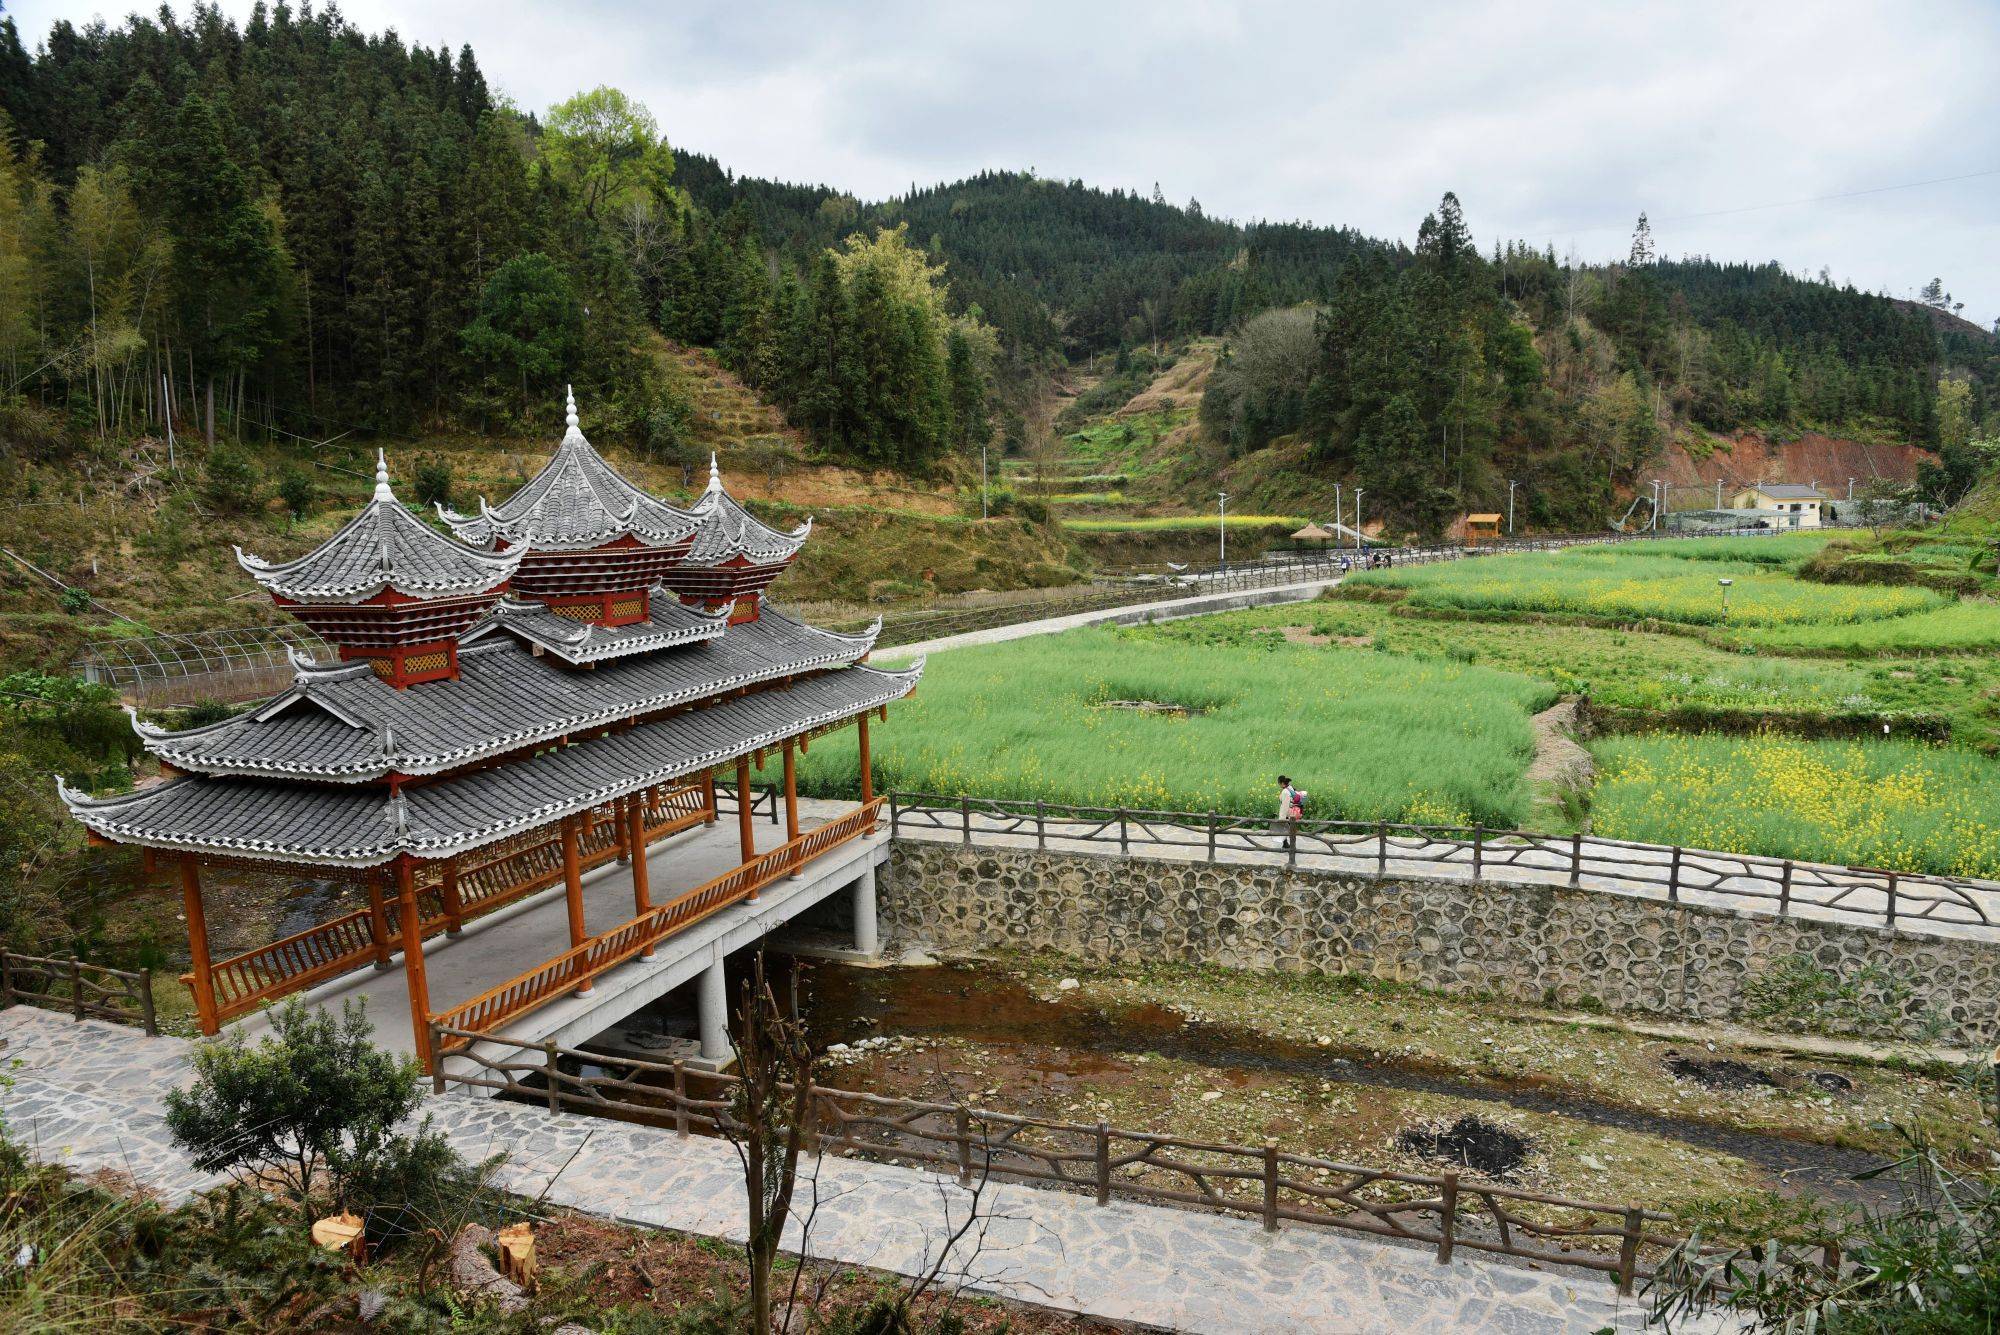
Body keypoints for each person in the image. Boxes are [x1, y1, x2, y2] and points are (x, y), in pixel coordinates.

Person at [1276, 775, 1306, 850]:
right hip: (1293, 813)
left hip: (1288, 814)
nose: (1279, 785)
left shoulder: (1285, 792)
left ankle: (1289, 845)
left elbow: (1285, 806)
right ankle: (1286, 844)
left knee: (1287, 829)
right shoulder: (1290, 788)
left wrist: (1281, 818)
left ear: (1282, 783)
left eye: (1279, 783)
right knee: (1290, 829)